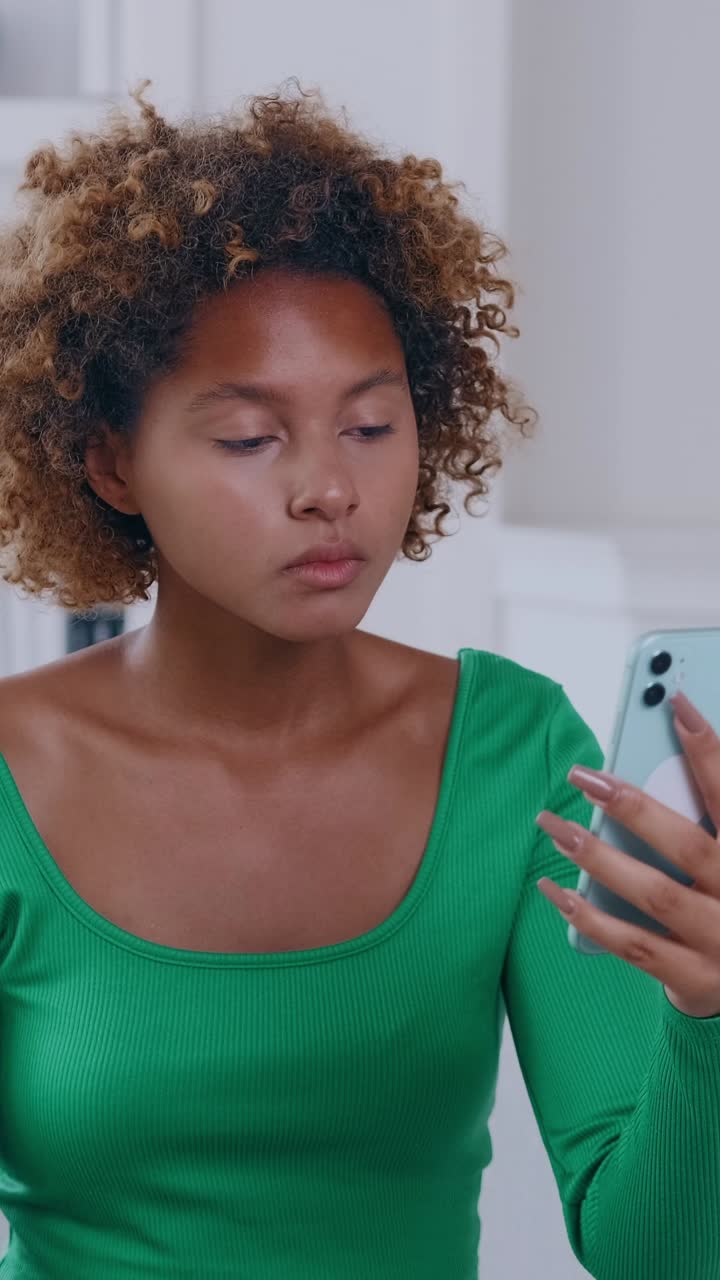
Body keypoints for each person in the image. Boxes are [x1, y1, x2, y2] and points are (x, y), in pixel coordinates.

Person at [0, 77, 717, 1280]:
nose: (329, 488)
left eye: (373, 427)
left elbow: (655, 1253)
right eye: (249, 437)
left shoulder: (517, 750)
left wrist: (710, 1022)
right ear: (111, 463)